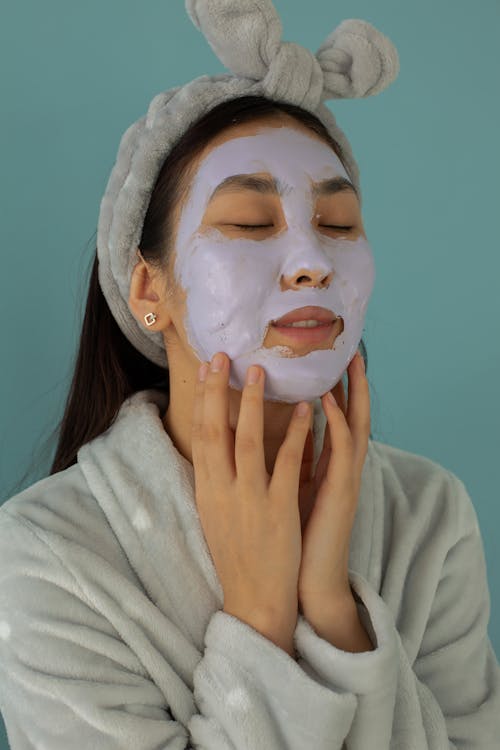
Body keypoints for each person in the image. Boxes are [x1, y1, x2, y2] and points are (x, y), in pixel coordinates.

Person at [0, 1, 499, 748]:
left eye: (338, 224)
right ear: (148, 291)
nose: (311, 261)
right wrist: (262, 621)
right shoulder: (45, 558)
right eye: (249, 223)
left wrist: (333, 606)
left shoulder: (431, 513)